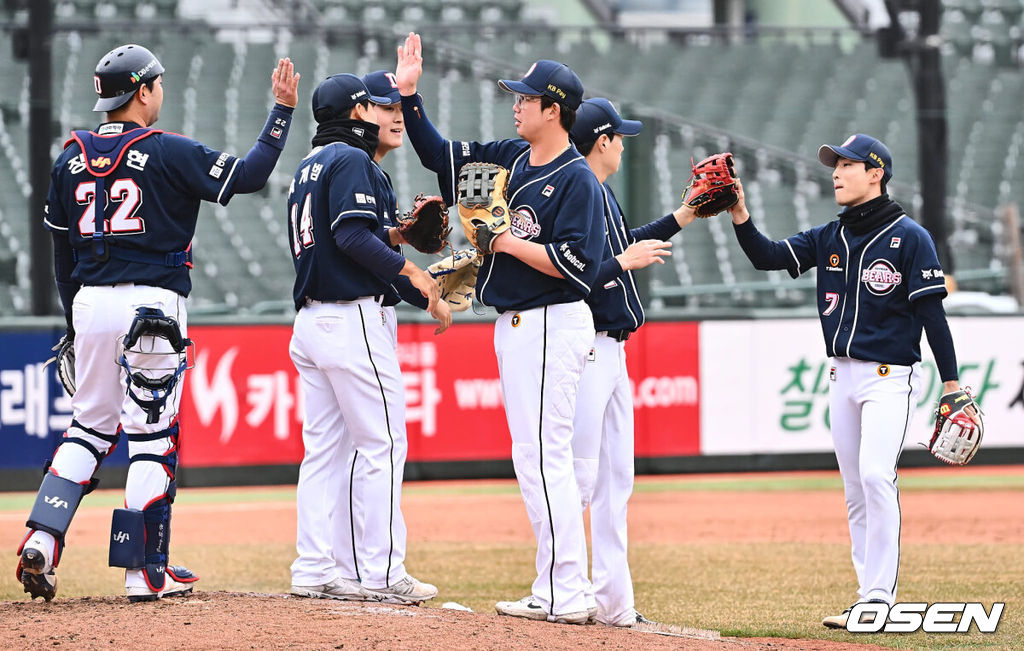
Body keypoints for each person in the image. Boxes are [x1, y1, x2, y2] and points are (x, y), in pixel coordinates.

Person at [17, 43, 299, 602]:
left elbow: (60, 253)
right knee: (151, 438)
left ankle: (42, 539)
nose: (161, 93)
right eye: (158, 84)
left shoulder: (69, 155)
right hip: (152, 302)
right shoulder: (167, 150)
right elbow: (249, 176)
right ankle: (142, 571)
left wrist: (75, 320)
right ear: (142, 91)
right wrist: (281, 112)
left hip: (90, 302)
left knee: (88, 428)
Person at [396, 33, 606, 624]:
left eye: (526, 97)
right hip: (515, 323)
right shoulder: (511, 160)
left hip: (552, 320)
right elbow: (441, 156)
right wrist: (410, 97)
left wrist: (505, 241)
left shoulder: (576, 179)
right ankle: (550, 585)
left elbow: (577, 264)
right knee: (530, 458)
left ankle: (572, 590)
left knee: (547, 457)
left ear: (554, 109)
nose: (515, 104)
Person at [724, 134, 971, 628]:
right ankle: (866, 596)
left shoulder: (910, 236)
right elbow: (767, 257)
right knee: (856, 487)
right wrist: (739, 215)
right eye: (833, 165)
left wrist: (952, 384)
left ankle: (881, 598)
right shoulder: (828, 236)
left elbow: (932, 316)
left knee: (878, 476)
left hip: (889, 377)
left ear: (876, 173)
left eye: (847, 164)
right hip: (841, 375)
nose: (835, 172)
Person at [286, 72, 442, 605]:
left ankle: (314, 568)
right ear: (356, 113)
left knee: (325, 452)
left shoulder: (309, 166)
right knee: (384, 445)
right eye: (375, 105)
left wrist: (396, 238)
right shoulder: (352, 160)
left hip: (312, 322)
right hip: (350, 319)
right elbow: (351, 237)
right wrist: (416, 273)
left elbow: (347, 237)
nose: (387, 113)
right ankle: (383, 573)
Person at [567, 98, 697, 627]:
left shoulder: (599, 191)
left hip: (612, 349)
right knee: (577, 476)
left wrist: (685, 214)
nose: (623, 144)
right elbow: (573, 270)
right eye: (620, 137)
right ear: (603, 142)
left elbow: (627, 244)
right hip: (590, 343)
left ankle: (614, 603)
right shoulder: (582, 191)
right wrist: (622, 260)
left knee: (617, 477)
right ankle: (560, 588)